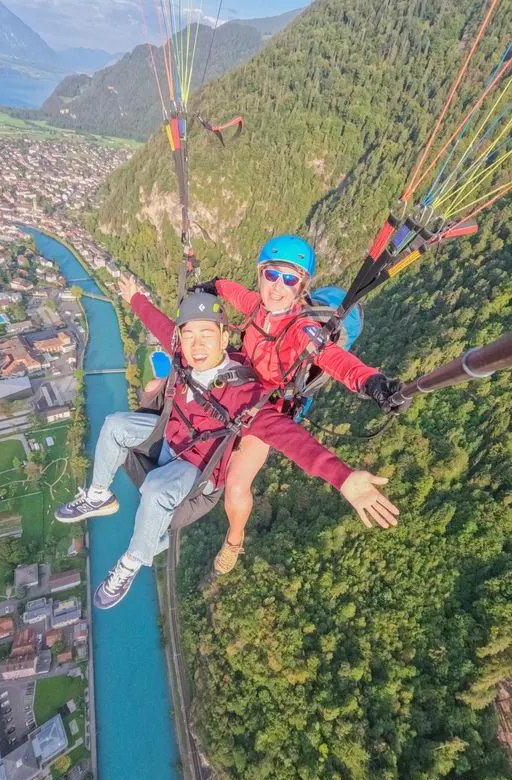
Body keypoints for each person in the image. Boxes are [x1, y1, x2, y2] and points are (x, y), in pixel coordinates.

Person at [55, 275, 399, 609]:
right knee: (121, 419)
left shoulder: (302, 345)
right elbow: (178, 322)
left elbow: (294, 435)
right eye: (190, 336)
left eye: (206, 335)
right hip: (189, 420)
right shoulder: (260, 315)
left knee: (231, 487)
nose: (196, 344)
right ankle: (98, 495)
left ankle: (218, 544)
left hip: (236, 425)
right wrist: (142, 297)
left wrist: (344, 470)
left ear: (222, 339)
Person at [199, 234, 406, 574]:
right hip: (239, 384)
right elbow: (231, 290)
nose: (278, 286)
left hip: (267, 409)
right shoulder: (256, 306)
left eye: (290, 279)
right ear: (260, 275)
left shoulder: (302, 330)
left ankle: (234, 541)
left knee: (235, 486)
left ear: (301, 287)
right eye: (272, 274)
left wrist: (371, 382)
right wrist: (212, 286)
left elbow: (331, 357)